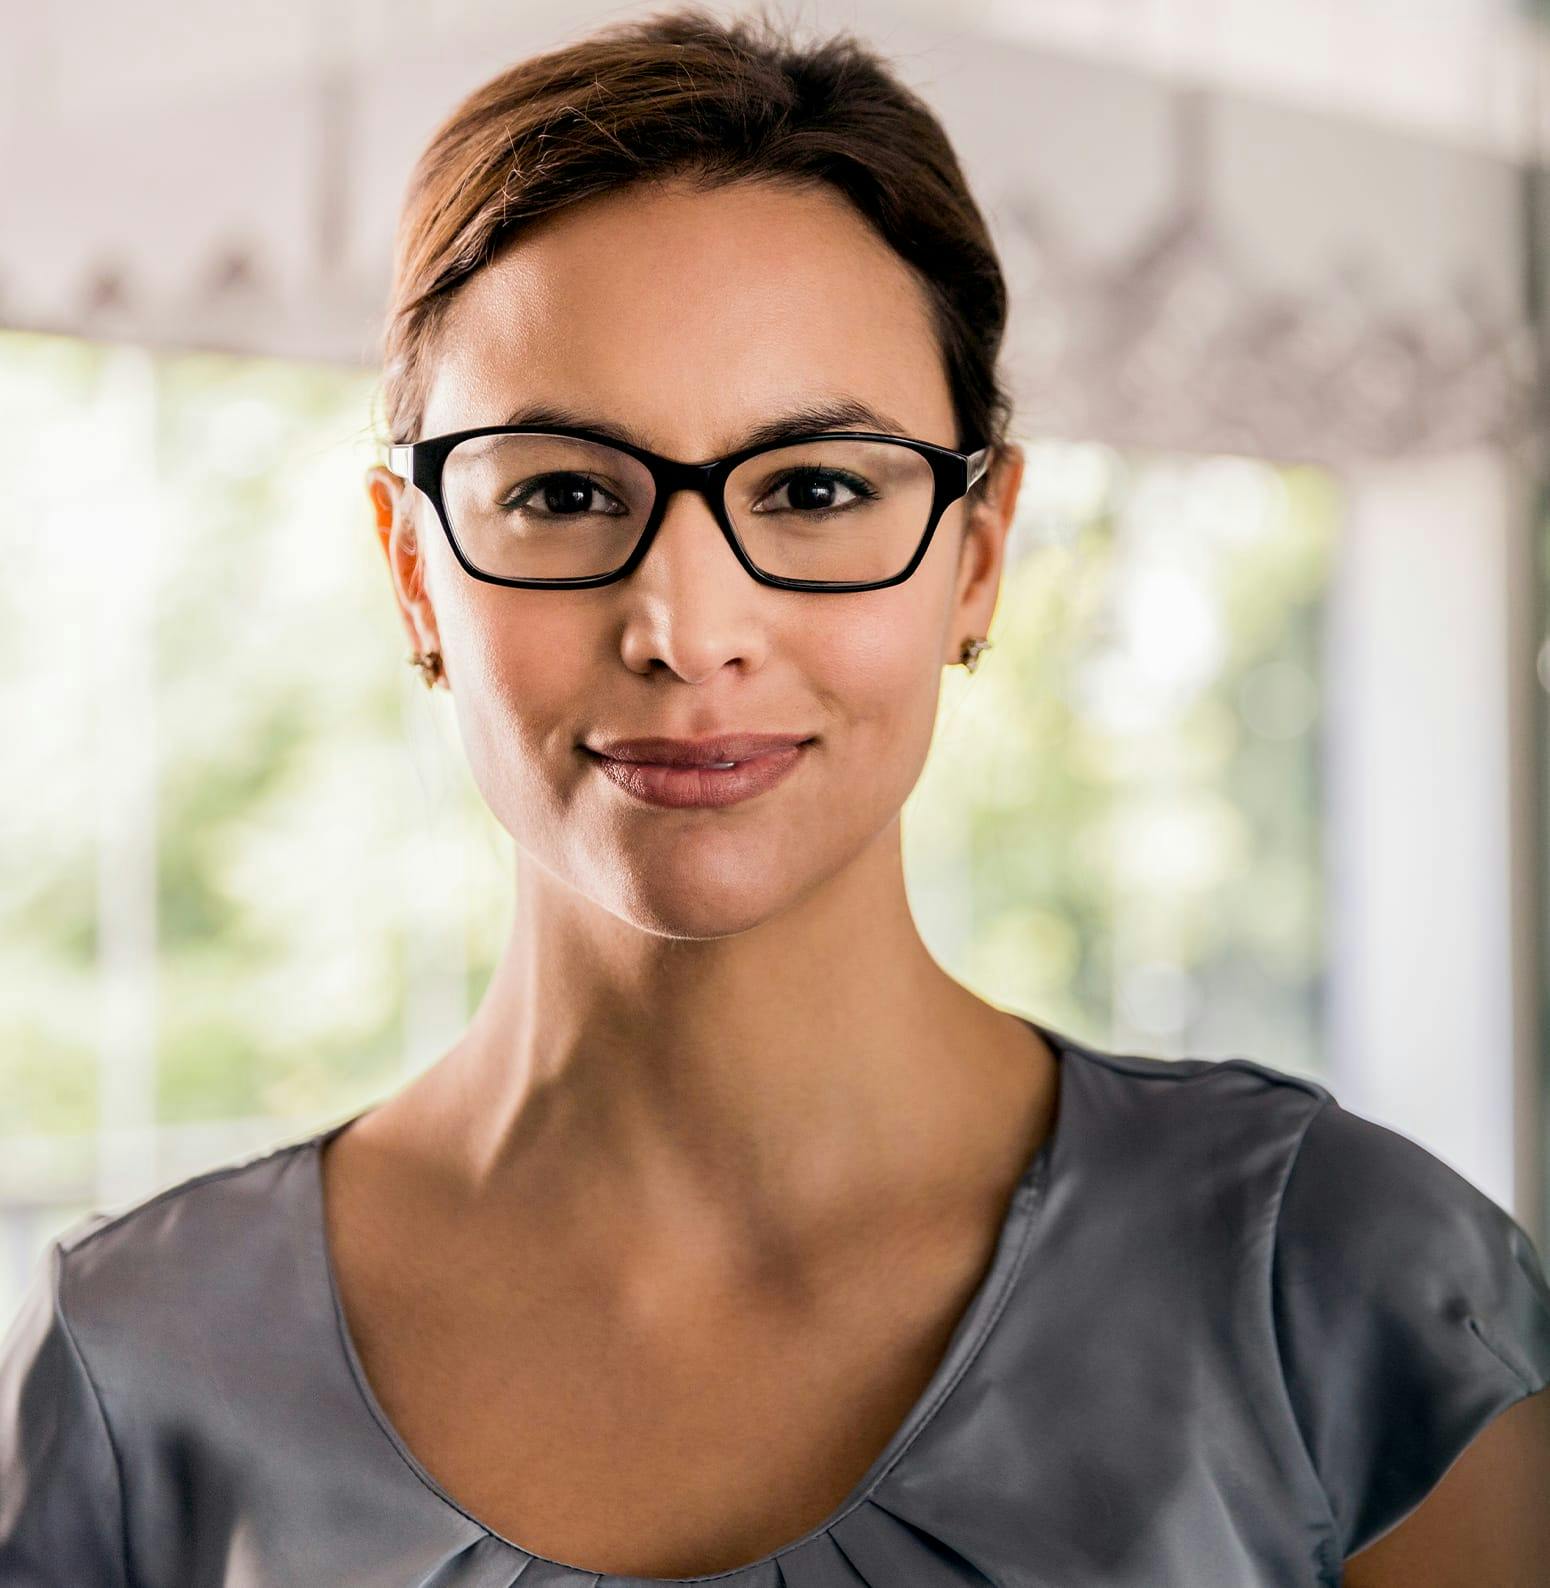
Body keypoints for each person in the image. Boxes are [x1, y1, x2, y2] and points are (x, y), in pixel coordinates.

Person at [3, 7, 1549, 1585]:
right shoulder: (138, 1360)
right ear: (413, 574)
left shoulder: (1338, 1290)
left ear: (976, 553)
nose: (686, 629)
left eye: (813, 489)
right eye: (559, 491)